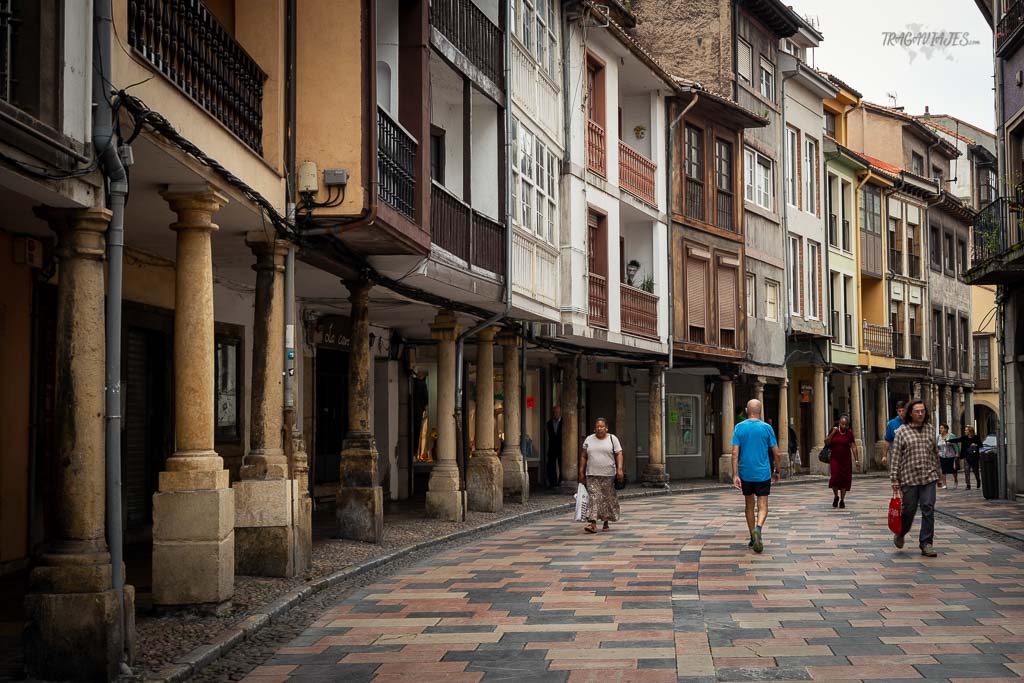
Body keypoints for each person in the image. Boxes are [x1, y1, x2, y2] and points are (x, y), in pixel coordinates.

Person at [890, 400, 946, 557]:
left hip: (929, 477)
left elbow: (935, 453)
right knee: (909, 510)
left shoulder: (930, 430)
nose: (921, 414)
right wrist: (894, 479)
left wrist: (939, 474)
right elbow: (896, 457)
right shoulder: (902, 431)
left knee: (928, 507)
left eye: (922, 411)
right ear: (910, 413)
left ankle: (926, 543)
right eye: (917, 411)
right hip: (909, 478)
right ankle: (901, 533)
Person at [731, 399, 781, 554]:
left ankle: (752, 536)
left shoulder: (739, 427)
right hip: (763, 472)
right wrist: (777, 470)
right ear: (760, 411)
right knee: (763, 505)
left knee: (749, 505)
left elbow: (734, 453)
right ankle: (758, 528)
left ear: (747, 410)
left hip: (746, 473)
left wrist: (735, 474)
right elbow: (776, 453)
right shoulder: (767, 428)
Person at [578, 418, 624, 534]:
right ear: (594, 428)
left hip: (608, 474)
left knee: (606, 498)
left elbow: (619, 453)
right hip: (592, 473)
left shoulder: (613, 439)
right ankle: (592, 523)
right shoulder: (589, 439)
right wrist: (581, 471)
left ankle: (606, 521)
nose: (599, 428)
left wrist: (619, 469)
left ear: (606, 427)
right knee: (594, 497)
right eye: (597, 427)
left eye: (602, 426)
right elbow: (583, 455)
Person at [826, 415, 859, 508]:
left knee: (844, 479)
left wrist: (856, 460)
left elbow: (853, 446)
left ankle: (842, 500)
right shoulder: (834, 430)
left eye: (845, 424)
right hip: (835, 459)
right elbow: (826, 442)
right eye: (841, 424)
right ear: (839, 423)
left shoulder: (849, 433)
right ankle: (836, 496)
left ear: (847, 425)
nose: (843, 426)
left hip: (845, 460)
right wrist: (833, 433)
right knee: (835, 477)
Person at [949, 425, 983, 491]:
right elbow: (957, 440)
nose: (965, 431)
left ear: (970, 431)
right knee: (966, 471)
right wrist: (949, 440)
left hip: (974, 457)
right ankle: (968, 485)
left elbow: (981, 445)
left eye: (966, 430)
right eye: (965, 430)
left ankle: (978, 480)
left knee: (975, 471)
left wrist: (975, 445)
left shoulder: (976, 437)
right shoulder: (964, 437)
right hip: (966, 457)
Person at [881, 400, 907, 467]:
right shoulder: (891, 423)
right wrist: (884, 456)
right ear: (897, 411)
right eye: (899, 411)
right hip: (896, 455)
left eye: (903, 410)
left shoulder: (910, 422)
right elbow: (887, 440)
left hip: (908, 455)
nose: (901, 413)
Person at [937, 423, 960, 489]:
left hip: (951, 455)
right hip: (942, 455)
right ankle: (945, 484)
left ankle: (955, 481)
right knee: (943, 470)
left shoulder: (951, 436)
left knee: (953, 470)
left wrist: (957, 453)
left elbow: (956, 445)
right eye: (940, 428)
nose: (940, 429)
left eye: (942, 428)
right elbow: (936, 446)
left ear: (946, 429)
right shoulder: (938, 437)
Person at [545, 406, 563, 488]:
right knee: (551, 464)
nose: (556, 414)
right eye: (554, 412)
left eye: (557, 412)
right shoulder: (549, 423)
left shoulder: (563, 422)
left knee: (562, 463)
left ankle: (561, 480)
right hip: (552, 447)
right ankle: (552, 482)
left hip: (561, 447)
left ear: (560, 413)